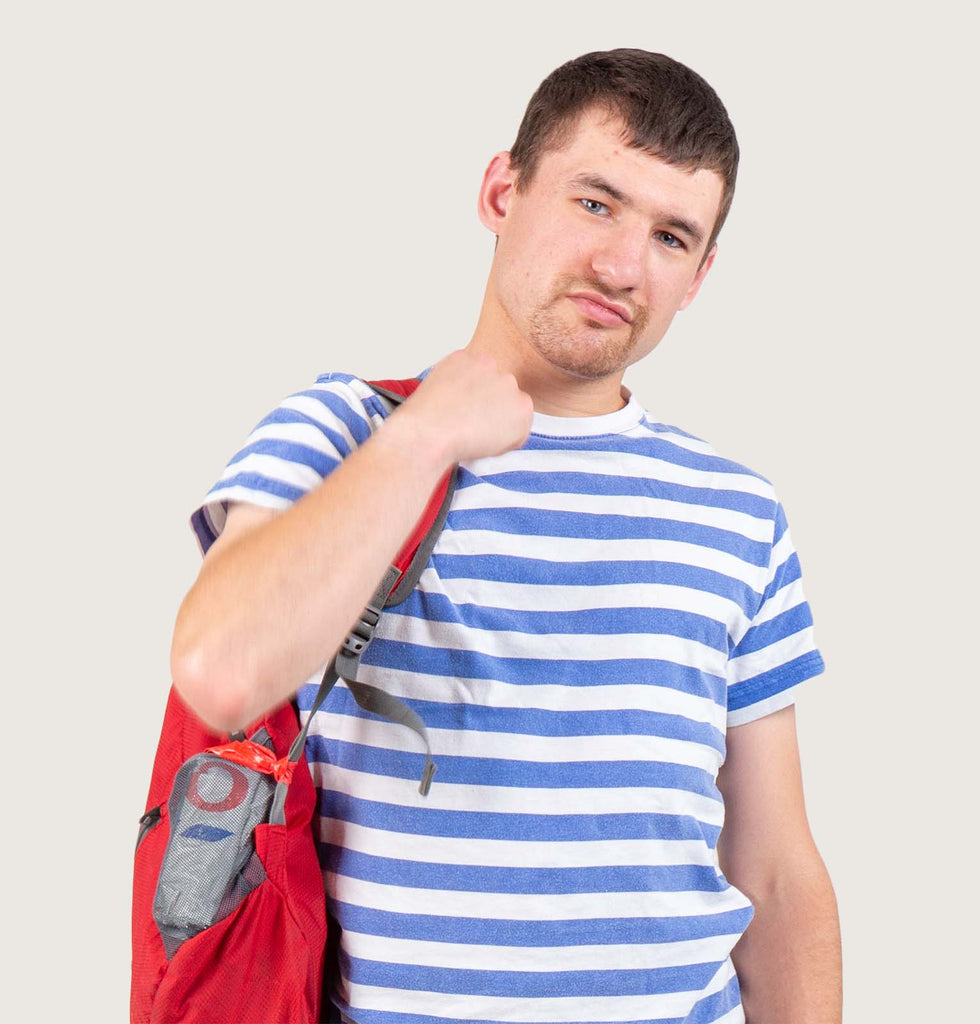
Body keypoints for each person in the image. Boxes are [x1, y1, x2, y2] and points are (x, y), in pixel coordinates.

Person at [173, 48, 842, 1024]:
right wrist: (430, 430)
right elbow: (223, 670)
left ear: (699, 275)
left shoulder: (736, 508)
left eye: (670, 236)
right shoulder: (348, 432)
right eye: (595, 203)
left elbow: (776, 867)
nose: (622, 266)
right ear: (501, 189)